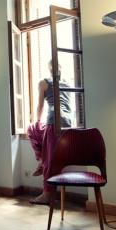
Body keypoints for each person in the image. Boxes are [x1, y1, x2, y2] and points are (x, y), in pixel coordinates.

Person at [27, 60, 72, 205]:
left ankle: (46, 194)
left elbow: (40, 106)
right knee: (53, 157)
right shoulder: (67, 84)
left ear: (49, 69)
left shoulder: (43, 83)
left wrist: (37, 120)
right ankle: (41, 161)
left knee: (33, 130)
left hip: (54, 120)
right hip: (68, 123)